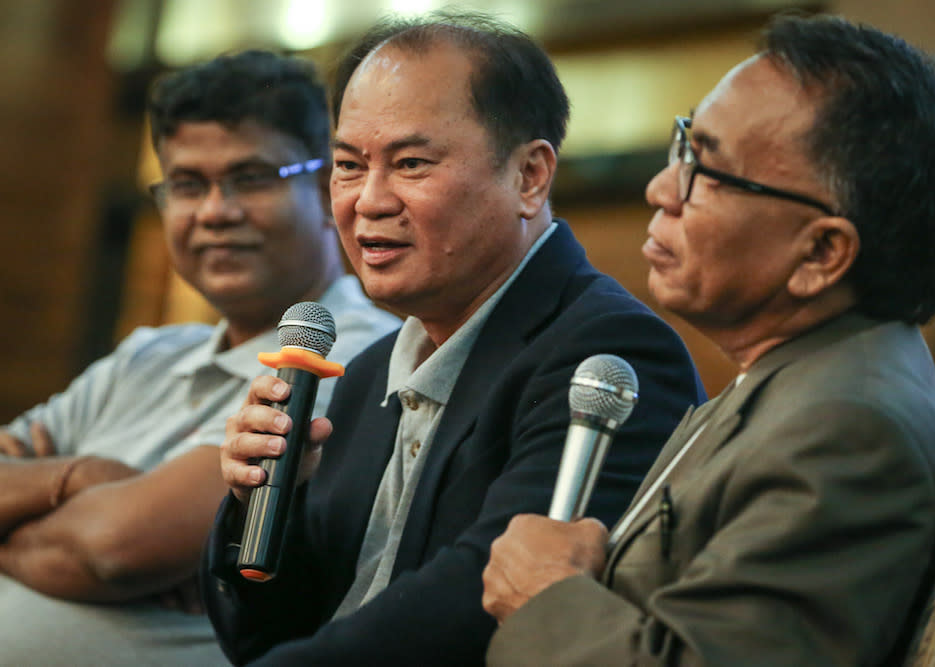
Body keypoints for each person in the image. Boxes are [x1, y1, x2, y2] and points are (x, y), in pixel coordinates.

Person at [201, 11, 705, 666]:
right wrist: (262, 506)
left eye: (410, 163)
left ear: (529, 176)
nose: (369, 201)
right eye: (350, 165)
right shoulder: (363, 374)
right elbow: (265, 633)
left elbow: (478, 604)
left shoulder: (609, 355)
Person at [482, 13, 935, 666]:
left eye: (706, 169)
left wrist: (546, 595)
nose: (662, 188)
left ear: (823, 253)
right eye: (684, 143)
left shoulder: (848, 431)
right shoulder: (808, 381)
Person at [0, 50, 399, 666]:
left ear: (326, 191)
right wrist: (76, 479)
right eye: (187, 184)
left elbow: (112, 551)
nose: (215, 211)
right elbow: (108, 551)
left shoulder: (361, 355)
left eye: (253, 177)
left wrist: (26, 516)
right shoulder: (146, 355)